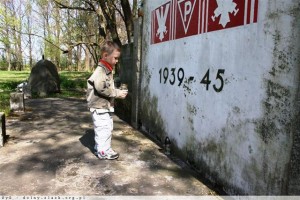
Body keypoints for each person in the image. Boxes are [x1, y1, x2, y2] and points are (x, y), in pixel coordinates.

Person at [87, 41, 128, 160]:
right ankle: (103, 151)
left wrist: (115, 90)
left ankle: (101, 147)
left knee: (107, 127)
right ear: (105, 56)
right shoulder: (101, 70)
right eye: (115, 58)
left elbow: (106, 87)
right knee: (103, 128)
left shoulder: (106, 70)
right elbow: (101, 88)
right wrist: (117, 93)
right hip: (99, 107)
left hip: (103, 107)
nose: (117, 61)